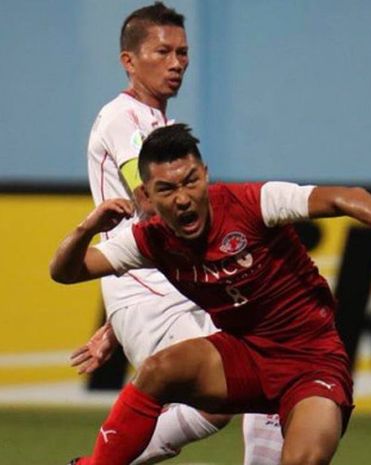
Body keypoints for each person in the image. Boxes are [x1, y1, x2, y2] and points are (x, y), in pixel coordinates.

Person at [50, 124, 371, 465]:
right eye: (167, 189)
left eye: (191, 181)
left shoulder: (253, 203)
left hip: (312, 361)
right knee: (158, 370)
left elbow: (340, 196)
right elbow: (65, 272)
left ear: (206, 174)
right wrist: (88, 226)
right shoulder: (150, 240)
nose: (183, 198)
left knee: (305, 458)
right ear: (146, 198)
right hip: (244, 356)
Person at [78, 2, 282, 464]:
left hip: (160, 292)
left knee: (238, 389)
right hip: (152, 298)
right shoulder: (126, 119)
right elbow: (150, 201)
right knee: (262, 371)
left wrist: (114, 320)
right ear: (129, 60)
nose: (176, 63)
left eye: (183, 52)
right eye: (163, 51)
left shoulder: (158, 124)